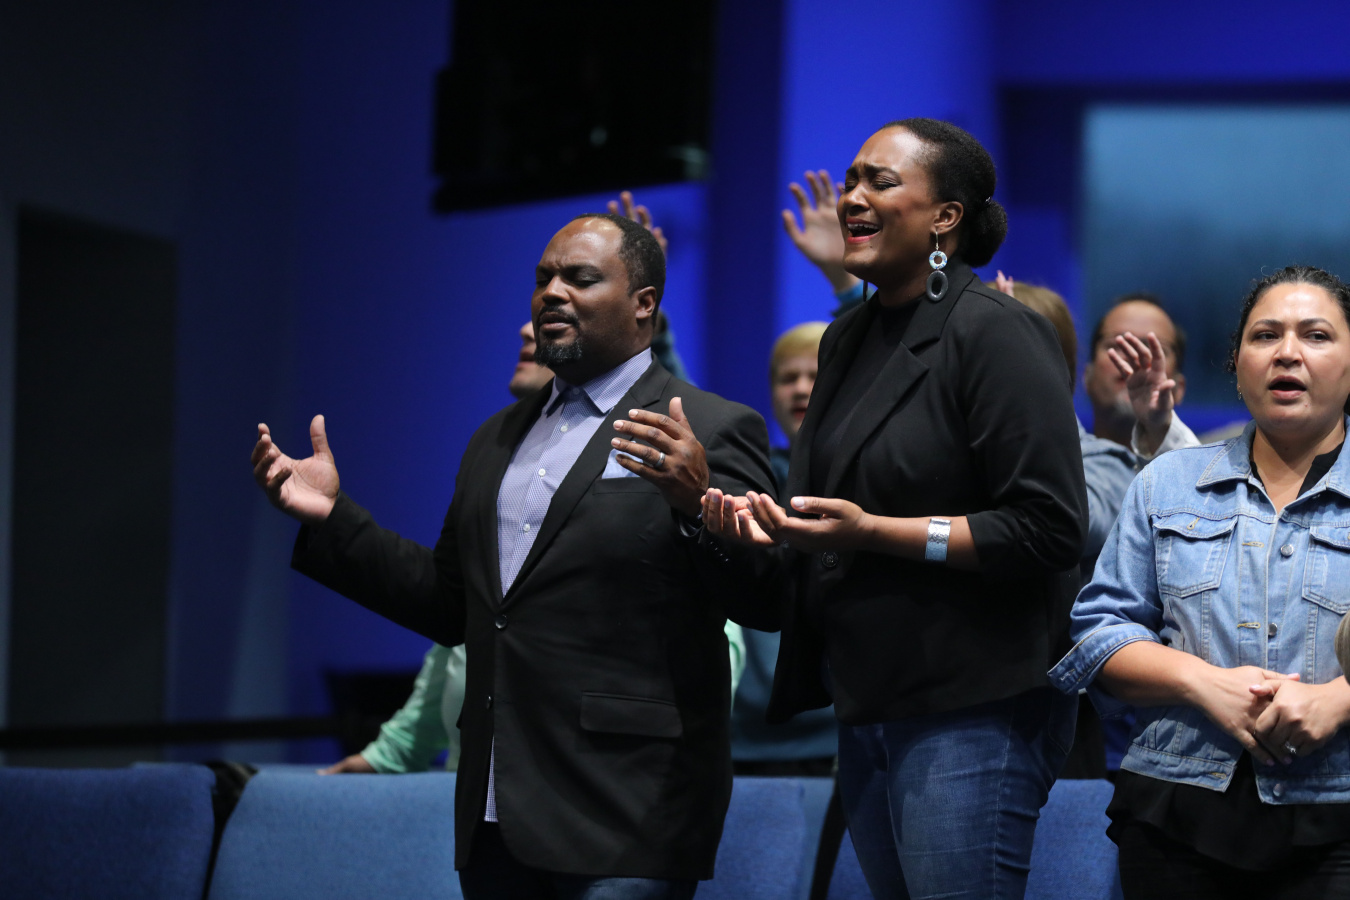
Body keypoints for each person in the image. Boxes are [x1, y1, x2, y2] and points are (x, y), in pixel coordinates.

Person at [252, 213, 776, 898]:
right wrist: (332, 519)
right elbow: (451, 604)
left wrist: (695, 503)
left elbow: (767, 595)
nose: (552, 293)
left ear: (644, 303)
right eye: (543, 278)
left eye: (580, 278)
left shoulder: (709, 425)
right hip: (496, 810)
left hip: (630, 809)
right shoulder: (495, 438)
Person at [705, 119, 1088, 899]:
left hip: (973, 704)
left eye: (880, 181)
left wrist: (876, 533)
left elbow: (1049, 527)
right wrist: (764, 526)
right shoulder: (847, 337)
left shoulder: (998, 332)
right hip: (867, 699)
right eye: (852, 181)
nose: (853, 197)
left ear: (945, 216)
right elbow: (832, 511)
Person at [1050, 265, 1350, 898]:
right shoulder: (1165, 483)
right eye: (1265, 335)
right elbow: (1100, 633)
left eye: (1316, 335)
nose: (1287, 352)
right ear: (1236, 365)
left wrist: (1338, 701)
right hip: (1176, 814)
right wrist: (1204, 683)